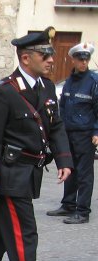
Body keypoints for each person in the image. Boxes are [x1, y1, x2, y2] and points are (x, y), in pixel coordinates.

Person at [0, 26, 73, 261]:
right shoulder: (4, 91)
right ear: (26, 58)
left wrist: (64, 159)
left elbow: (55, 126)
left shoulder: (45, 88)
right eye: (45, 55)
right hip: (8, 175)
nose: (51, 60)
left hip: (29, 174)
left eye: (50, 55)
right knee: (23, 234)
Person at [46, 42, 98, 224]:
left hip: (85, 134)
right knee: (69, 169)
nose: (83, 62)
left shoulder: (93, 81)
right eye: (80, 59)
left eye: (86, 59)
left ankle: (83, 211)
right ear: (73, 60)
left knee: (84, 174)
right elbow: (62, 106)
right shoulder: (69, 82)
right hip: (68, 132)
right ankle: (68, 204)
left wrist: (96, 131)